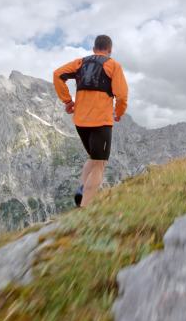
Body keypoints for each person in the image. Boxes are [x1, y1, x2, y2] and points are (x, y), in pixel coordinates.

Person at [53, 35, 129, 207]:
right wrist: (118, 112)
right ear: (109, 50)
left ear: (94, 49)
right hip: (100, 122)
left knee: (93, 158)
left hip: (80, 122)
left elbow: (57, 75)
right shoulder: (113, 65)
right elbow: (122, 95)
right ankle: (84, 208)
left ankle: (81, 190)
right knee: (100, 163)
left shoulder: (79, 63)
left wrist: (68, 101)